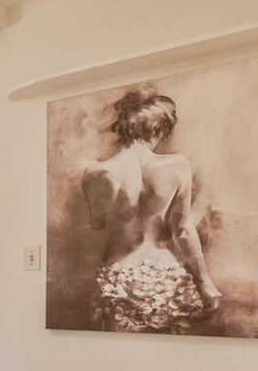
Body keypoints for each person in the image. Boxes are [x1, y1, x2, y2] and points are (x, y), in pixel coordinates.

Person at [80, 90, 221, 333]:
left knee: (116, 360)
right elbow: (182, 231)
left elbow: (97, 224)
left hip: (116, 279)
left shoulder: (95, 173)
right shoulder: (176, 166)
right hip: (163, 275)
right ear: (159, 129)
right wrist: (204, 282)